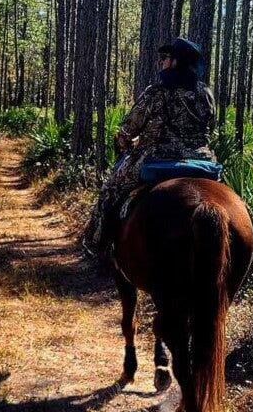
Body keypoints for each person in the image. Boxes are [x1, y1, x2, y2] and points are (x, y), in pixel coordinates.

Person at [83, 37, 217, 257]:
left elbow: (127, 129)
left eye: (166, 58)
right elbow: (207, 126)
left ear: (175, 62)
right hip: (202, 160)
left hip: (157, 158)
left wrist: (125, 143)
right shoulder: (206, 93)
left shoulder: (156, 92)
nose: (162, 62)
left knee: (110, 189)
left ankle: (95, 243)